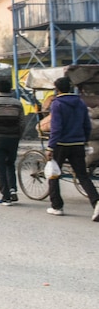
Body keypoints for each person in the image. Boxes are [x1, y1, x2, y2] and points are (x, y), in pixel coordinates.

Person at [45, 77, 99, 220]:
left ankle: (57, 206)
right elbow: (87, 125)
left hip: (61, 145)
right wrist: (85, 140)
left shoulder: (57, 104)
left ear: (57, 89)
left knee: (54, 174)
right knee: (82, 176)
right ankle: (97, 202)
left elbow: (56, 128)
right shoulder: (80, 103)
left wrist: (50, 147)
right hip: (78, 144)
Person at [0, 79, 26, 206]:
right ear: (10, 89)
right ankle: (13, 189)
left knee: (0, 167)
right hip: (13, 138)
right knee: (10, 164)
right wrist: (18, 135)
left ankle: (6, 196)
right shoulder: (17, 104)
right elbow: (22, 123)